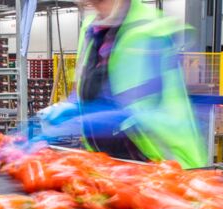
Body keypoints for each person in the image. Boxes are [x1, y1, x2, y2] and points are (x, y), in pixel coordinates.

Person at [35, 0, 207, 168]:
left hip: (165, 164)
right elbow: (90, 88)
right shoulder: (91, 29)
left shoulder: (149, 30)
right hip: (116, 163)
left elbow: (138, 109)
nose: (93, 6)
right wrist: (73, 106)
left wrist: (93, 116)